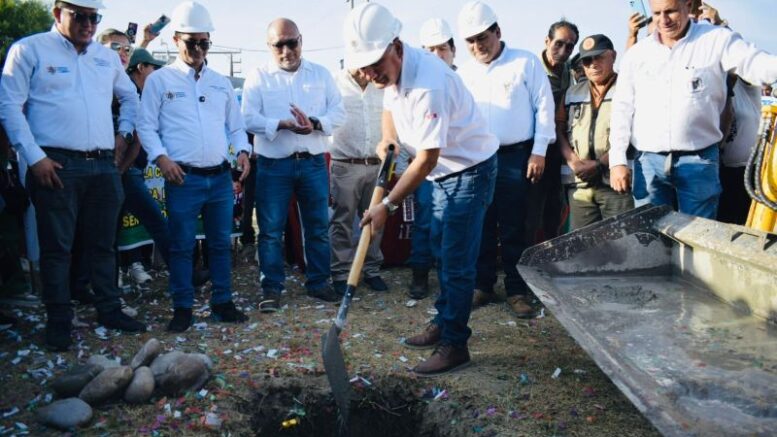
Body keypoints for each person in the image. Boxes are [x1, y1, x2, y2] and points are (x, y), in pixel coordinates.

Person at [345, 2, 498, 376]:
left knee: (457, 261)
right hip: (443, 174)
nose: (370, 74)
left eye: (375, 64)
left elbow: (426, 159)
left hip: (469, 170)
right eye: (363, 68)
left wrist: (387, 207)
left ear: (396, 45)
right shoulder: (391, 72)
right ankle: (444, 322)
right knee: (440, 254)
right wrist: (387, 139)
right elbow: (388, 109)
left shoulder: (429, 82)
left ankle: (455, 344)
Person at [0, 0, 146, 351]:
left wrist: (124, 133)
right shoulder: (28, 50)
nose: (87, 24)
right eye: (78, 16)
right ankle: (59, 321)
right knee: (57, 249)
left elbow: (130, 97)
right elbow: (8, 106)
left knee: (102, 246)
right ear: (57, 13)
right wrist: (34, 158)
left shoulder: (105, 57)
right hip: (56, 164)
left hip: (101, 164)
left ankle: (109, 309)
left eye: (93, 17)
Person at [137, 1, 250, 332]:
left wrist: (242, 151)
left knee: (219, 243)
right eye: (192, 42)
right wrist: (162, 159)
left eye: (204, 42)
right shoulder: (161, 81)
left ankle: (222, 302)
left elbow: (236, 126)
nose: (199, 49)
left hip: (218, 178)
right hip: (182, 178)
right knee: (182, 246)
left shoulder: (219, 82)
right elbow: (146, 126)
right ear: (175, 41)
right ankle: (183, 307)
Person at [609, 0, 777, 219]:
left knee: (700, 233)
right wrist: (617, 161)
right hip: (648, 162)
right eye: (657, 13)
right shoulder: (637, 55)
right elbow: (622, 108)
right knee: (649, 237)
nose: (663, 20)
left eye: (670, 11)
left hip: (699, 161)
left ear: (688, 6)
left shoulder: (717, 40)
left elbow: (756, 64)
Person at [456, 0, 555, 318]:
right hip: (478, 159)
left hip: (516, 157)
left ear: (497, 31)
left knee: (515, 226)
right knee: (481, 225)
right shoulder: (465, 72)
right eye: (470, 40)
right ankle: (483, 285)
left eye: (482, 37)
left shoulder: (524, 62)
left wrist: (539, 150)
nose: (476, 45)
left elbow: (545, 107)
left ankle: (516, 290)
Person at [242, 18, 346, 311]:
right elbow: (247, 118)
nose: (287, 50)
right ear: (269, 46)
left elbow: (339, 113)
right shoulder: (258, 77)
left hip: (312, 163)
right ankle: (272, 288)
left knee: (317, 227)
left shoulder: (321, 74)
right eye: (279, 45)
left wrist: (314, 123)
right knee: (271, 230)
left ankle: (319, 282)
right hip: (274, 167)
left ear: (302, 41)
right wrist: (281, 125)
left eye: (292, 42)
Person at [401, 17, 458, 300]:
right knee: (425, 221)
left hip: (459, 167)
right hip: (425, 165)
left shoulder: (463, 79)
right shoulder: (415, 83)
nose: (437, 56)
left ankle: (450, 280)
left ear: (453, 50)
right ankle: (420, 275)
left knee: (453, 226)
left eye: (442, 49)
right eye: (430, 50)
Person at [556, 35, 634, 230]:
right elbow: (559, 129)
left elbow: (635, 132)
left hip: (616, 184)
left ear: (613, 56)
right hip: (580, 185)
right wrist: (574, 161)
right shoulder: (573, 92)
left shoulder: (627, 89)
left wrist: (599, 164)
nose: (593, 65)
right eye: (587, 60)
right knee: (582, 249)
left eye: (599, 57)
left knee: (621, 245)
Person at [329, 68, 388, 296]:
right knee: (342, 221)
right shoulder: (334, 83)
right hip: (345, 163)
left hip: (376, 163)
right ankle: (342, 274)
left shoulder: (382, 85)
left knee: (375, 220)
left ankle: (372, 269)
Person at [527, 19, 579, 244]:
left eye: (569, 46)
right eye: (558, 44)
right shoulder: (531, 69)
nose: (563, 51)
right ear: (547, 41)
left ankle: (549, 253)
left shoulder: (570, 71)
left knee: (555, 206)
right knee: (530, 207)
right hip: (533, 149)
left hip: (558, 148)